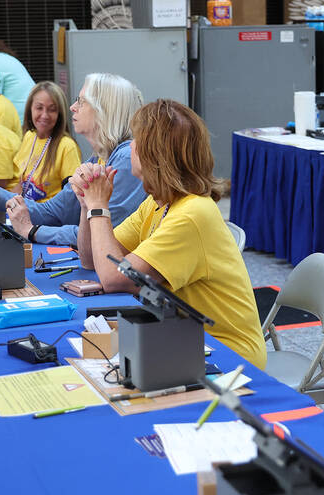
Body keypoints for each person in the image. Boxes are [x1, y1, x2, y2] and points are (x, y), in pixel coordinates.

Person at [75, 99, 266, 368]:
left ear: (151, 154)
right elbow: (91, 260)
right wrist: (87, 206)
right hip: (185, 339)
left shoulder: (192, 215)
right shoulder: (158, 203)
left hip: (227, 356)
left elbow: (112, 278)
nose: (130, 146)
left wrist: (98, 207)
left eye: (135, 140)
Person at [0, 72, 144, 247]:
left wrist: (34, 231)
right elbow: (51, 212)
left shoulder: (126, 159)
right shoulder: (99, 157)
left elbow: (104, 234)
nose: (73, 107)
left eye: (82, 102)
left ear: (104, 110)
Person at [14, 82, 81, 204]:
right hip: (23, 212)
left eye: (52, 110)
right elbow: (18, 182)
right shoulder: (29, 136)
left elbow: (73, 197)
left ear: (60, 114)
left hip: (49, 219)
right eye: (39, 108)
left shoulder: (66, 146)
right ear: (30, 109)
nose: (44, 115)